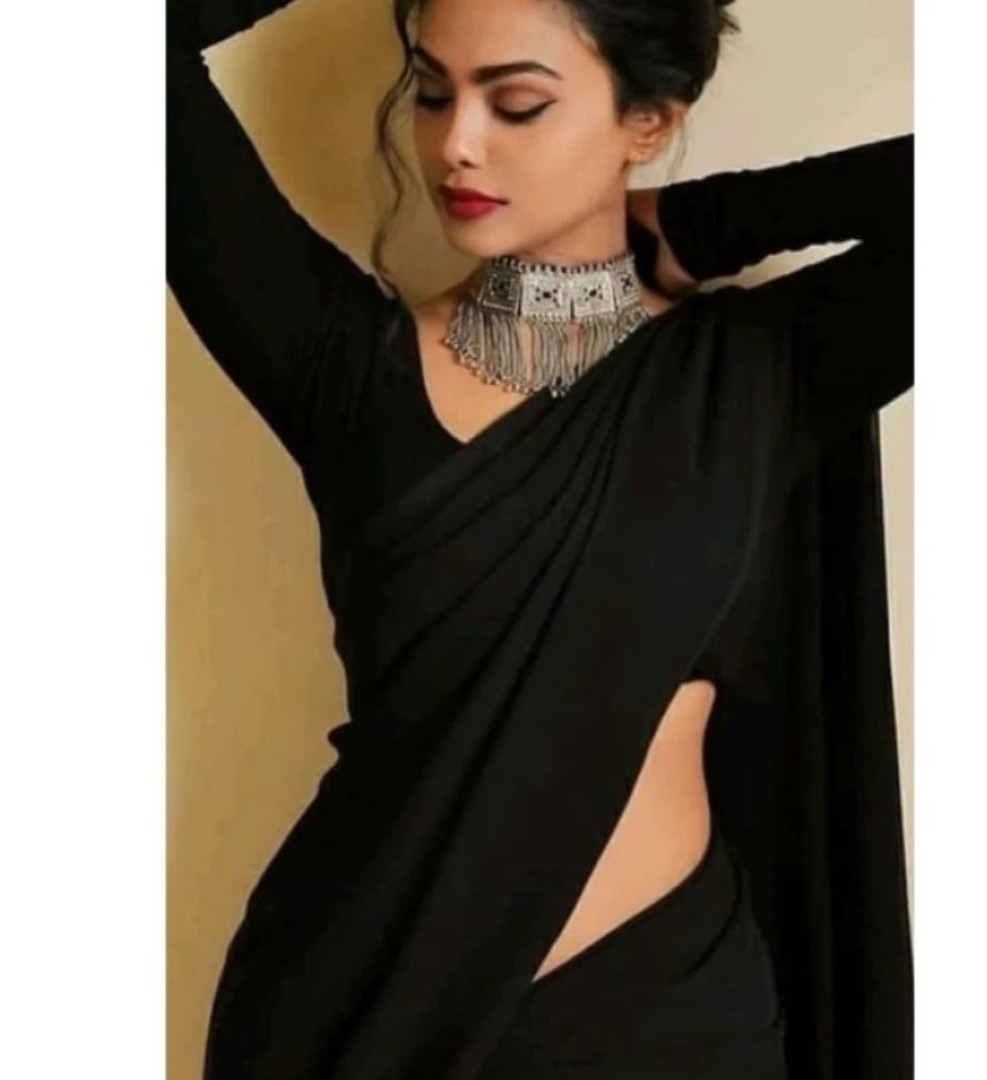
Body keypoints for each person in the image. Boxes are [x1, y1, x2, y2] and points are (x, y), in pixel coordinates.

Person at [167, 0, 913, 1076]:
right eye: (432, 92)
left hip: (667, 1025)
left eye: (516, 103)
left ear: (649, 120)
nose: (455, 144)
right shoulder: (342, 369)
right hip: (357, 1015)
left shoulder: (757, 373)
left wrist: (704, 222)